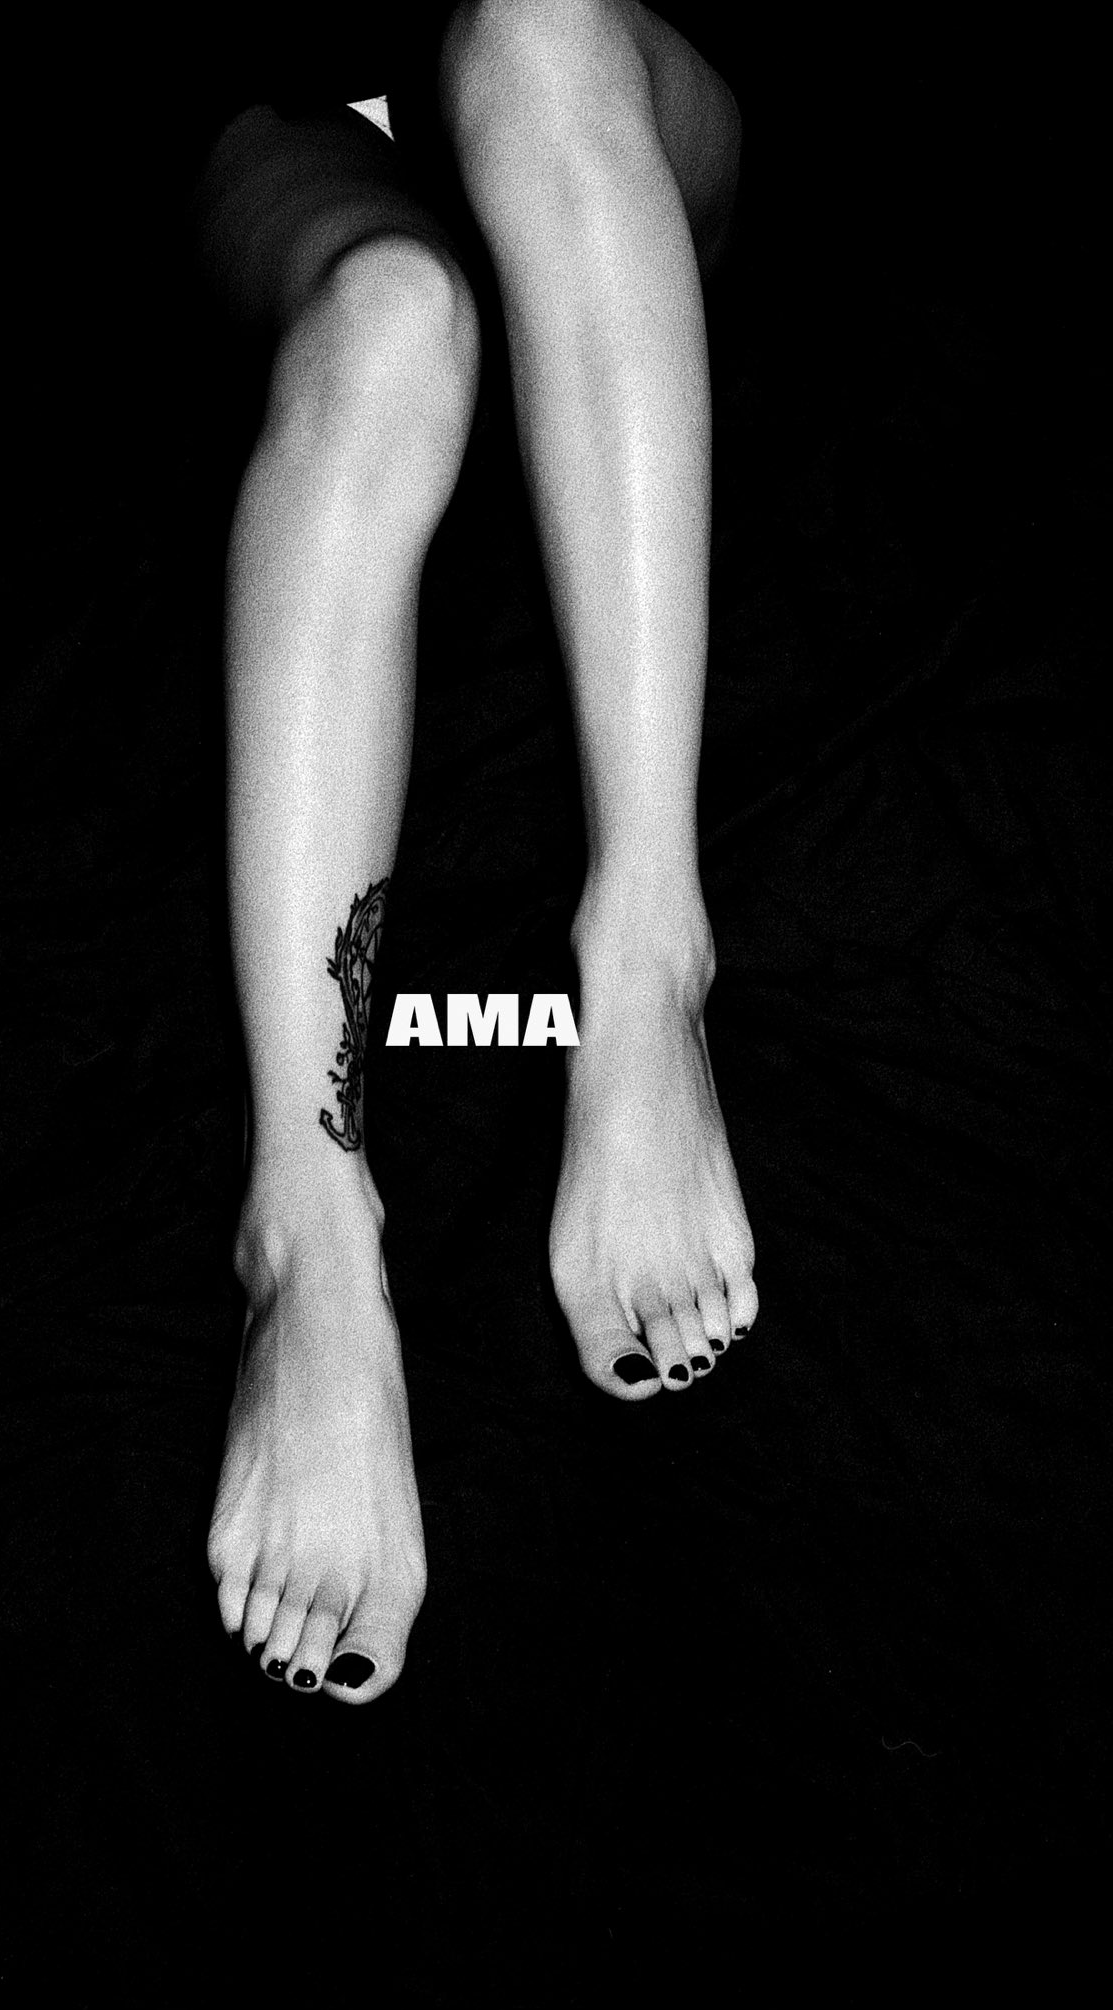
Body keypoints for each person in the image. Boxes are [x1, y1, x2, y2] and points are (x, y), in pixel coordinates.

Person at [204, 0, 758, 1707]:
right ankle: (305, 1232)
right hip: (298, 105)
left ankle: (647, 957)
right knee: (389, 317)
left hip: (578, 77)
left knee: (536, 24)